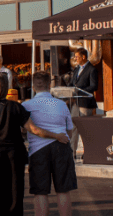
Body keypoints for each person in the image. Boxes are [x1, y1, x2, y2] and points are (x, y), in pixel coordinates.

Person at [0, 74, 67, 216]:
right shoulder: (16, 107)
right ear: (7, 88)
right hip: (14, 154)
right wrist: (56, 136)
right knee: (14, 192)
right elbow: (34, 130)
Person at [23, 71, 77, 216]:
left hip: (38, 150)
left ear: (33, 86)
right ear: (49, 85)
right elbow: (70, 131)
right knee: (63, 190)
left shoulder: (26, 105)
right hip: (61, 147)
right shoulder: (61, 104)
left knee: (40, 192)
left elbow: (23, 128)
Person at [69, 47, 97, 159]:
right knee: (73, 127)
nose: (75, 58)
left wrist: (80, 89)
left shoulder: (92, 69)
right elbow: (72, 83)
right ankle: (72, 153)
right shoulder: (76, 69)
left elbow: (94, 86)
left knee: (85, 129)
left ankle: (89, 152)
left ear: (83, 57)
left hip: (86, 103)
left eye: (77, 56)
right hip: (76, 102)